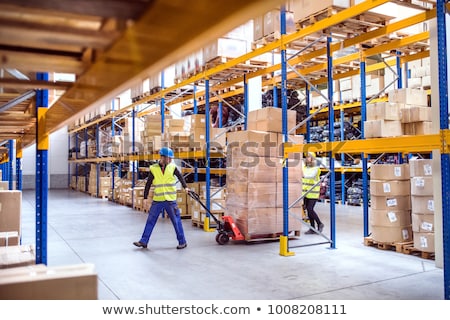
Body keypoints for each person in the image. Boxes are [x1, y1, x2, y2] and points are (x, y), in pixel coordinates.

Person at [133, 147, 190, 249]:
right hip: (158, 200)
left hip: (170, 200)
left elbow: (180, 177)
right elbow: (148, 183)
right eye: (169, 158)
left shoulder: (172, 167)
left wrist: (186, 187)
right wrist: (145, 197)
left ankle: (182, 241)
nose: (170, 160)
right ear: (162, 157)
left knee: (176, 221)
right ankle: (143, 241)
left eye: (171, 158)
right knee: (150, 220)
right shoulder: (154, 168)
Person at [302, 152, 324, 234]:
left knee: (310, 209)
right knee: (308, 210)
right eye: (306, 157)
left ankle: (320, 223)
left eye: (309, 157)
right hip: (305, 192)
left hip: (313, 192)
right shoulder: (304, 167)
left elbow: (310, 175)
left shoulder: (316, 168)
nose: (307, 158)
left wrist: (302, 175)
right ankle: (312, 228)